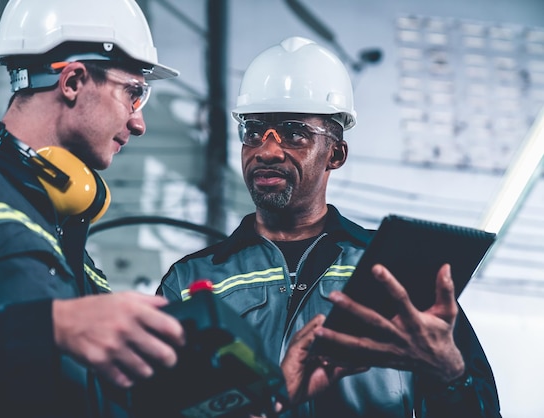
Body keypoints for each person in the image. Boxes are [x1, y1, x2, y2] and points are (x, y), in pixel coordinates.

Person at [157, 36, 502, 417]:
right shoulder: (191, 281)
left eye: (294, 133)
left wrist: (452, 377)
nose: (267, 150)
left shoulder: (397, 272)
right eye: (253, 132)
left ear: (335, 154)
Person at [0, 0, 186, 416]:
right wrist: (53, 327)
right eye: (133, 94)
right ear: (74, 80)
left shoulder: (72, 244)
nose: (139, 123)